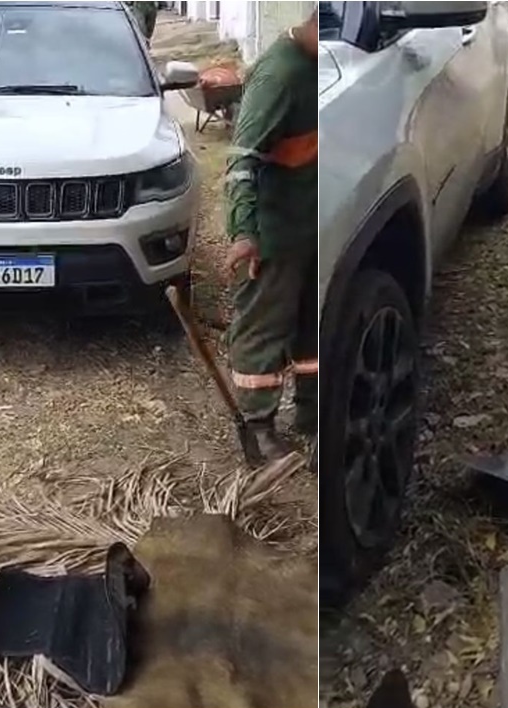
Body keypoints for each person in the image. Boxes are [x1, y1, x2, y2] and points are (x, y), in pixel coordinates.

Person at [223, 10, 319, 461]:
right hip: (274, 234)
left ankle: (312, 416)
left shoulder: (322, 66)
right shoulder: (279, 76)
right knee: (265, 328)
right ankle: (258, 429)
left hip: (313, 225)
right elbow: (241, 158)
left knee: (311, 331)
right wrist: (244, 232)